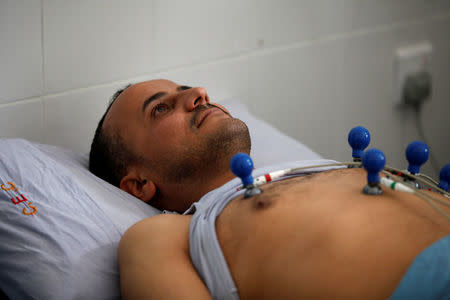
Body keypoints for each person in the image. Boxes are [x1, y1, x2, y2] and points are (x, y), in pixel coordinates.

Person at [89, 79, 450, 299]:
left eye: (188, 89)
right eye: (160, 109)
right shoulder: (162, 236)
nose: (199, 93)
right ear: (139, 184)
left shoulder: (318, 172)